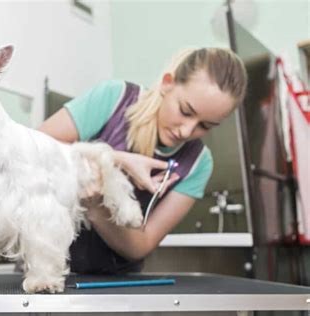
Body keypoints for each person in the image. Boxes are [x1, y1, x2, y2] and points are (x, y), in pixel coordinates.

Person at [38, 47, 248, 274]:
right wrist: (115, 161)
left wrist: (97, 207)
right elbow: (34, 148)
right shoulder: (114, 98)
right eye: (185, 111)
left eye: (205, 126)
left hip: (118, 281)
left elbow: (140, 246)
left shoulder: (198, 163)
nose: (187, 131)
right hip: (47, 263)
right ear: (168, 83)